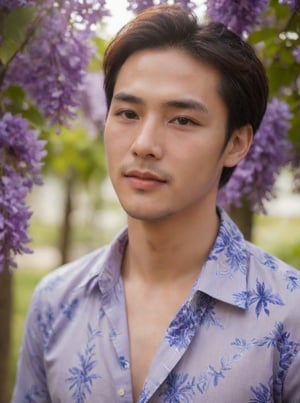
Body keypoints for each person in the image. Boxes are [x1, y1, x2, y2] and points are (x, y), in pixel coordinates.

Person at [13, 5, 300, 403]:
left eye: (182, 120)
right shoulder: (55, 301)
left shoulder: (290, 313)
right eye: (128, 113)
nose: (144, 144)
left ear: (236, 143)